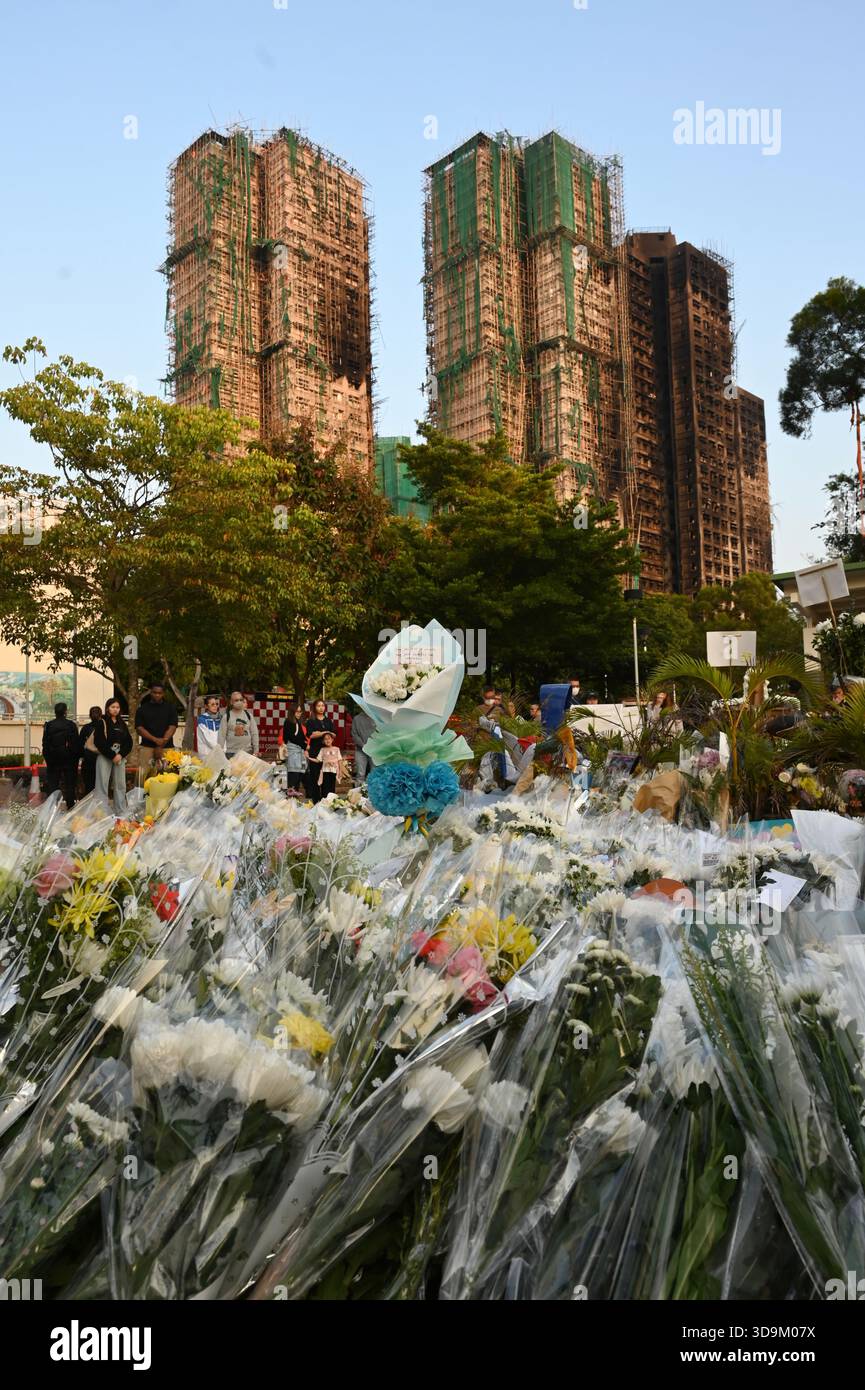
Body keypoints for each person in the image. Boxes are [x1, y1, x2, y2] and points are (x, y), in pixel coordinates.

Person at [93, 698, 132, 813]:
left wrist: (120, 754)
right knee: (102, 785)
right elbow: (99, 741)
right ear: (107, 708)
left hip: (120, 756)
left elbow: (129, 742)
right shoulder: (102, 721)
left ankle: (120, 810)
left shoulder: (122, 723)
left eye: (117, 707)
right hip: (105, 755)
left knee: (120, 785)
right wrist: (112, 755)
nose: (115, 710)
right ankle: (101, 813)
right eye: (113, 707)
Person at [42, 701, 79, 809]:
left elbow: (45, 744)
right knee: (70, 785)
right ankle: (70, 806)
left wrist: (48, 759)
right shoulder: (71, 725)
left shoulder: (49, 725)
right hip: (69, 760)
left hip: (53, 760)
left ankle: (51, 808)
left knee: (53, 785)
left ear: (55, 712)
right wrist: (74, 758)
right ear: (65, 712)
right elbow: (75, 744)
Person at [135, 683, 179, 770]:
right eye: (155, 693)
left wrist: (160, 745)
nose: (157, 695)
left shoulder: (170, 708)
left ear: (163, 694)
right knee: (146, 776)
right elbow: (139, 729)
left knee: (169, 777)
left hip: (167, 748)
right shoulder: (142, 709)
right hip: (147, 748)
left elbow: (172, 727)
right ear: (151, 693)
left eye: (160, 693)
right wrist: (155, 740)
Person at [304, 699, 336, 802]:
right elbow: (311, 734)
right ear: (314, 707)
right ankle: (316, 802)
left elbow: (334, 734)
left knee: (328, 777)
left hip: (328, 754)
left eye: (323, 706)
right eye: (318, 706)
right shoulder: (311, 721)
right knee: (315, 777)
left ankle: (327, 801)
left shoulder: (328, 720)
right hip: (315, 752)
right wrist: (323, 733)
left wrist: (324, 733)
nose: (321, 708)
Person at [218, 691, 259, 758]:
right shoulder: (226, 717)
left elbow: (254, 733)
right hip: (231, 753)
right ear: (231, 702)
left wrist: (256, 750)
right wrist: (219, 753)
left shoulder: (249, 716)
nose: (239, 702)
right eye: (236, 700)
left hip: (247, 752)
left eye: (241, 700)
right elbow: (221, 736)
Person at [307, 730, 346, 800]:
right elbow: (318, 760)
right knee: (325, 787)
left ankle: (332, 801)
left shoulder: (337, 749)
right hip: (325, 771)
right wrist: (309, 758)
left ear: (332, 740)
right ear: (323, 741)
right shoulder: (322, 749)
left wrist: (340, 771)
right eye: (325, 739)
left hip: (333, 771)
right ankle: (324, 801)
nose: (327, 740)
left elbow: (339, 760)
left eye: (329, 738)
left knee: (332, 787)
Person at [281, 702, 307, 796]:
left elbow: (302, 737)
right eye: (297, 712)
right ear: (292, 712)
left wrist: (305, 744)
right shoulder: (289, 722)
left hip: (298, 752)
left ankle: (294, 801)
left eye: (300, 712)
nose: (299, 713)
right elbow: (291, 737)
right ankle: (290, 800)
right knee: (293, 775)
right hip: (293, 752)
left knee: (298, 776)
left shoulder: (297, 722)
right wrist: (304, 745)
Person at [78, 705, 104, 795]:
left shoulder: (85, 728)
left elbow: (80, 744)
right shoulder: (106, 727)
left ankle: (89, 805)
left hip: (89, 759)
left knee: (89, 785)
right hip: (101, 759)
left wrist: (81, 757)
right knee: (101, 785)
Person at [350, 708, 376, 785]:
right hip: (360, 750)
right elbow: (354, 734)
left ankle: (372, 794)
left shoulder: (376, 717)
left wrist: (374, 745)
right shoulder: (357, 718)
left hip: (374, 750)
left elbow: (380, 733)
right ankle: (359, 794)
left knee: (374, 773)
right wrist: (363, 745)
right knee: (360, 774)